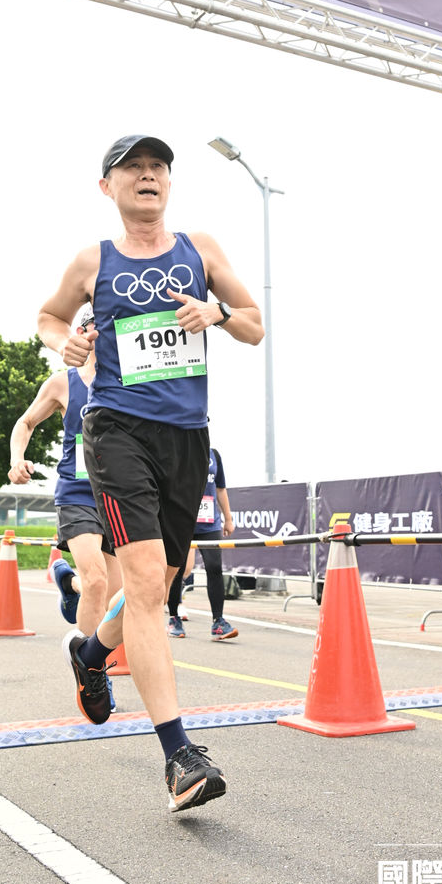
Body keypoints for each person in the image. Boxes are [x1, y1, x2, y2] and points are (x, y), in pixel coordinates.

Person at [37, 134, 263, 813]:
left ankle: (90, 654)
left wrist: (217, 313)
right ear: (107, 186)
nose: (147, 175)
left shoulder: (201, 250)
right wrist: (65, 341)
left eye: (157, 166)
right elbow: (48, 317)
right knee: (140, 584)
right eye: (132, 167)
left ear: (168, 182)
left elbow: (255, 325)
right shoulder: (93, 261)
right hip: (117, 432)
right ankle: (179, 756)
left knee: (161, 585)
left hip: (187, 438)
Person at [7, 329, 123, 651]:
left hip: (118, 495)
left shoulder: (130, 382)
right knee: (96, 580)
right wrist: (17, 459)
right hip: (77, 493)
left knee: (115, 596)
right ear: (84, 333)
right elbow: (26, 422)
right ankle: (90, 667)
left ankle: (70, 584)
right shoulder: (63, 383)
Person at [167, 446, 238, 641]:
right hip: (182, 522)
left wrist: (228, 518)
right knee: (177, 569)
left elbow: (220, 488)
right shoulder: (178, 448)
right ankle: (174, 618)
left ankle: (218, 622)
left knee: (214, 567)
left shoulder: (214, 455)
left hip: (209, 524)